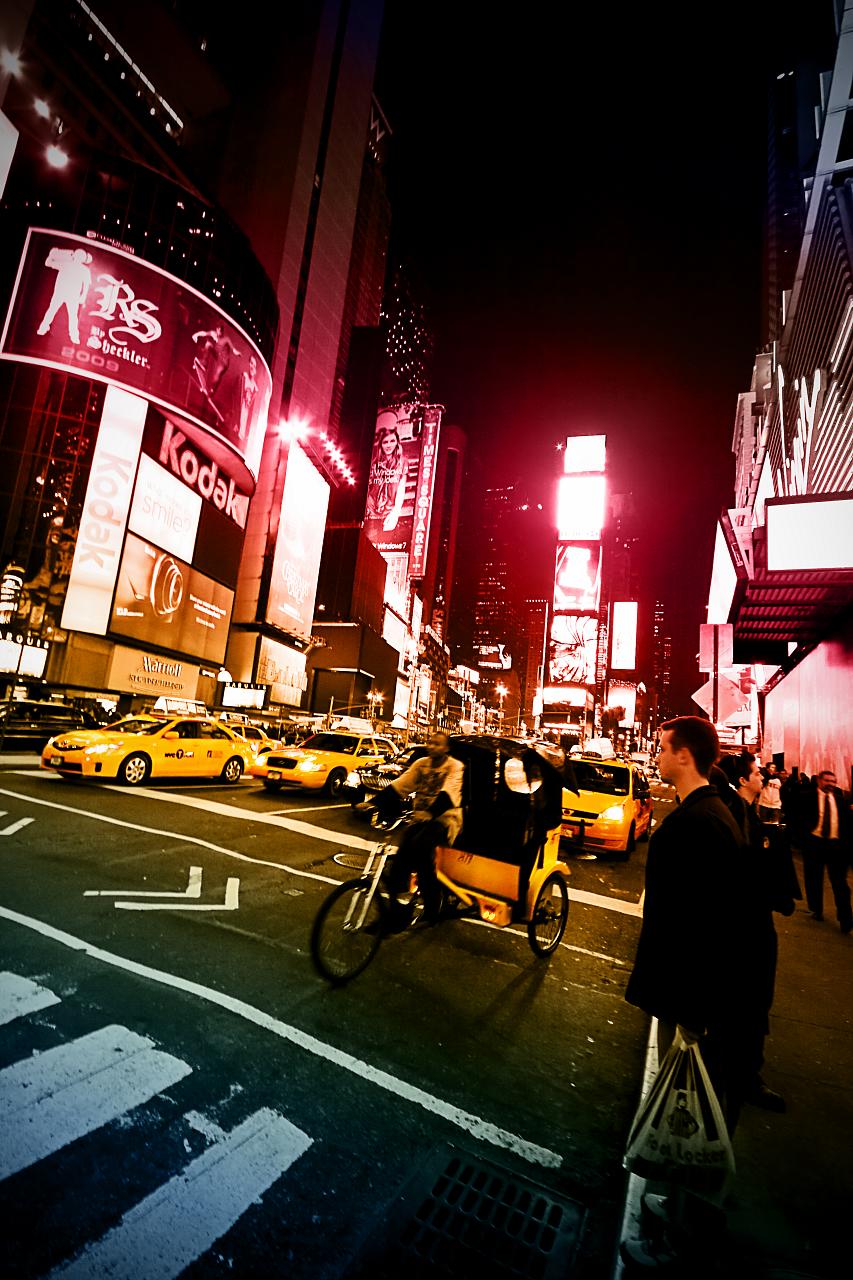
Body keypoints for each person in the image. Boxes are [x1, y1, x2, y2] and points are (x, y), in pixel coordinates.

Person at [620, 717, 769, 1272]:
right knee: (690, 1105)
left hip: (699, 999)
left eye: (661, 748)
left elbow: (709, 926)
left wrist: (694, 1013)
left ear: (685, 756)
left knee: (692, 1111)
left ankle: (679, 1242)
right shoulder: (710, 813)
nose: (655, 755)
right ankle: (678, 1205)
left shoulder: (702, 822)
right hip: (695, 994)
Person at [715, 751, 800, 1113]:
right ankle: (739, 1078)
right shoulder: (732, 813)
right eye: (755, 773)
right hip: (743, 928)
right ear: (742, 779)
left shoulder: (751, 813)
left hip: (755, 925)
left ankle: (745, 1072)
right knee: (745, 1004)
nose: (763, 778)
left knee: (754, 1003)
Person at [356, 730, 464, 927]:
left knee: (419, 849)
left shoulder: (455, 767)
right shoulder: (421, 764)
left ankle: (432, 904)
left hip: (445, 820)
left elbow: (448, 794)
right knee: (399, 860)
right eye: (430, 742)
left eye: (438, 744)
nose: (432, 747)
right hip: (420, 820)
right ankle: (396, 913)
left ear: (447, 748)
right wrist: (375, 803)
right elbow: (400, 786)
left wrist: (430, 814)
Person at [798, 769, 852, 933]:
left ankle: (846, 919)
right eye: (827, 780)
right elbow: (798, 818)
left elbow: (848, 825)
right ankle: (817, 909)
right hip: (815, 843)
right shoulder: (807, 797)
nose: (830, 784)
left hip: (836, 847)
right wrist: (804, 839)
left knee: (840, 883)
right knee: (814, 878)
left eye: (833, 781)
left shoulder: (840, 801)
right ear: (820, 781)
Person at [37, 246, 92, 344]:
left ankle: (73, 336)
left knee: (70, 315)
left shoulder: (82, 269)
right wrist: (55, 253)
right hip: (62, 293)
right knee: (55, 312)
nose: (78, 257)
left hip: (71, 295)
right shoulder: (67, 264)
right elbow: (48, 263)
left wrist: (83, 296)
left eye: (81, 256)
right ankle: (43, 328)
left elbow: (86, 284)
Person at [364, 425, 407, 531]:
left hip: (389, 513)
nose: (388, 445)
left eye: (392, 441)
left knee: (387, 545)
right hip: (371, 513)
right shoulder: (374, 463)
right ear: (381, 445)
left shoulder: (402, 462)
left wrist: (396, 512)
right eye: (385, 442)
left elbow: (401, 489)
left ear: (397, 442)